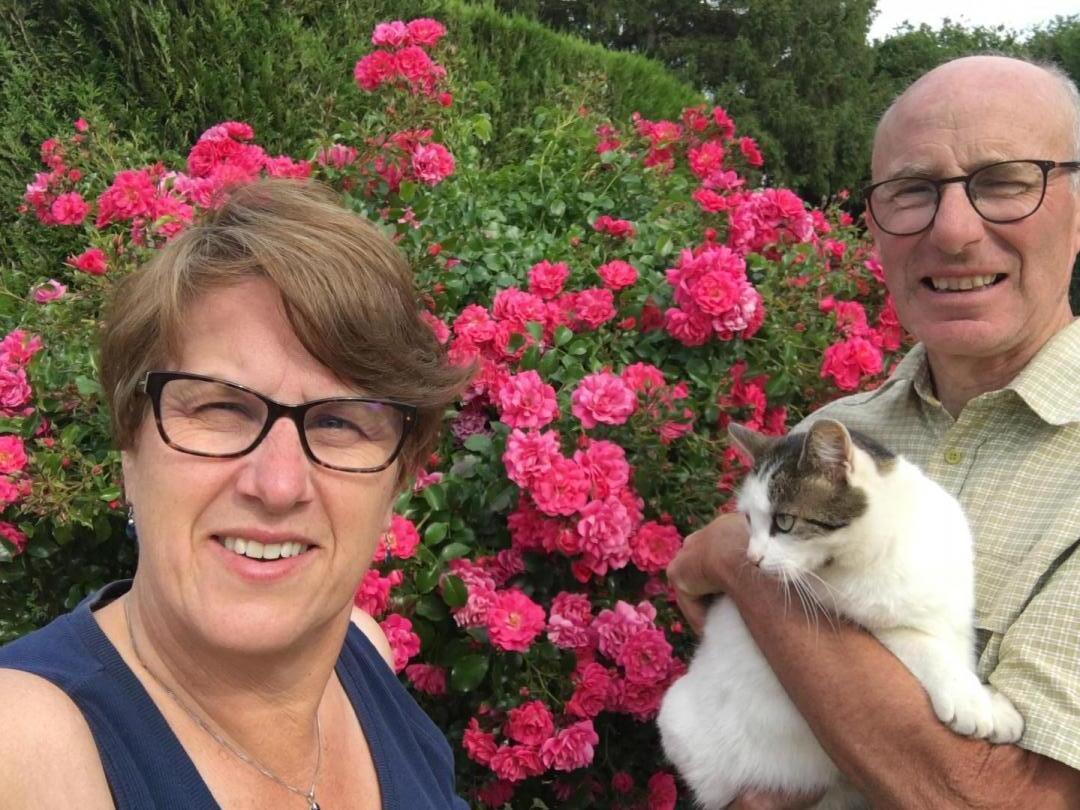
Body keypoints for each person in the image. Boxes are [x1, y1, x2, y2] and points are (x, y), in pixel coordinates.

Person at [667, 55, 1080, 809]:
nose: (954, 231)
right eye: (912, 190)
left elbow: (1011, 801)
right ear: (875, 227)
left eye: (1004, 181)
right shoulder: (835, 432)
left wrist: (733, 558)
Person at [0, 179, 472, 808]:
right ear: (130, 449)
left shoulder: (363, 653)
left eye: (339, 422)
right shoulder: (27, 742)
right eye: (220, 408)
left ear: (397, 483)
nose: (277, 485)